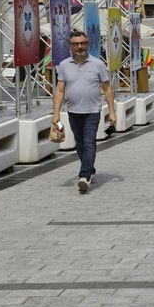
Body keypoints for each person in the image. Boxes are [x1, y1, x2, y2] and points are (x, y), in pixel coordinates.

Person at [51, 30, 117, 194]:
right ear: (70, 46)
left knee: (89, 143)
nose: (79, 46)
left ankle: (84, 175)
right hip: (73, 112)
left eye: (83, 43)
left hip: (92, 112)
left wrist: (112, 112)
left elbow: (107, 89)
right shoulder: (64, 65)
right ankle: (91, 170)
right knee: (80, 145)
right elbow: (59, 90)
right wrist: (56, 113)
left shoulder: (98, 64)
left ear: (88, 44)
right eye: (75, 44)